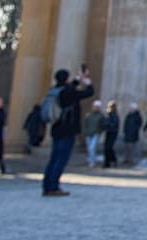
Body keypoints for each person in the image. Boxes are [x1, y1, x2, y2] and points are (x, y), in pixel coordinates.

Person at [42, 67, 95, 196]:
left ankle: (47, 185)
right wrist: (88, 83)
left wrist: (79, 78)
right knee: (61, 159)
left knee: (54, 158)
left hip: (56, 129)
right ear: (66, 79)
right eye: (70, 77)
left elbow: (71, 87)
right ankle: (54, 186)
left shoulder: (55, 90)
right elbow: (88, 93)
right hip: (67, 129)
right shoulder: (69, 92)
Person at [83, 99, 104, 167]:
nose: (95, 107)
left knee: (92, 147)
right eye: (95, 106)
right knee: (89, 148)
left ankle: (92, 161)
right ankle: (90, 160)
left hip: (96, 133)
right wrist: (85, 131)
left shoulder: (101, 116)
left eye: (97, 106)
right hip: (89, 133)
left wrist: (100, 132)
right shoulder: (89, 115)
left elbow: (102, 125)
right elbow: (86, 124)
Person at [103, 100, 120, 168]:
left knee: (109, 147)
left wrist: (108, 125)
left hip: (113, 132)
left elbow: (114, 124)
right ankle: (107, 162)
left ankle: (113, 160)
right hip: (108, 132)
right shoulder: (108, 114)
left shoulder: (115, 115)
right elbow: (105, 122)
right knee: (106, 148)